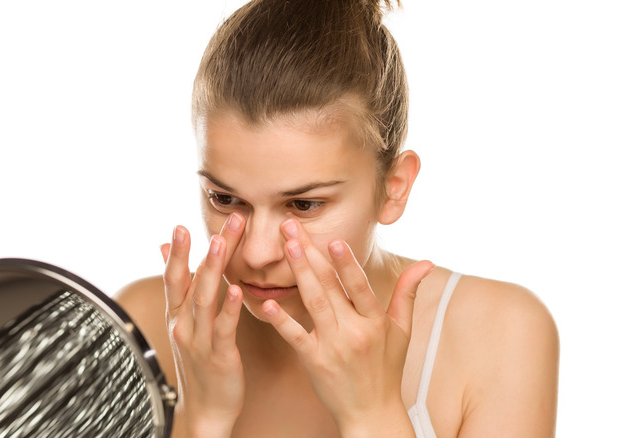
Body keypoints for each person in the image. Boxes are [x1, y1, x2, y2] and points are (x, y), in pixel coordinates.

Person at [116, 0, 559, 436]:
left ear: (394, 188)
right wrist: (204, 419)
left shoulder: (503, 335)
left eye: (304, 205)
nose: (257, 252)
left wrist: (372, 414)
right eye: (225, 199)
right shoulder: (139, 325)